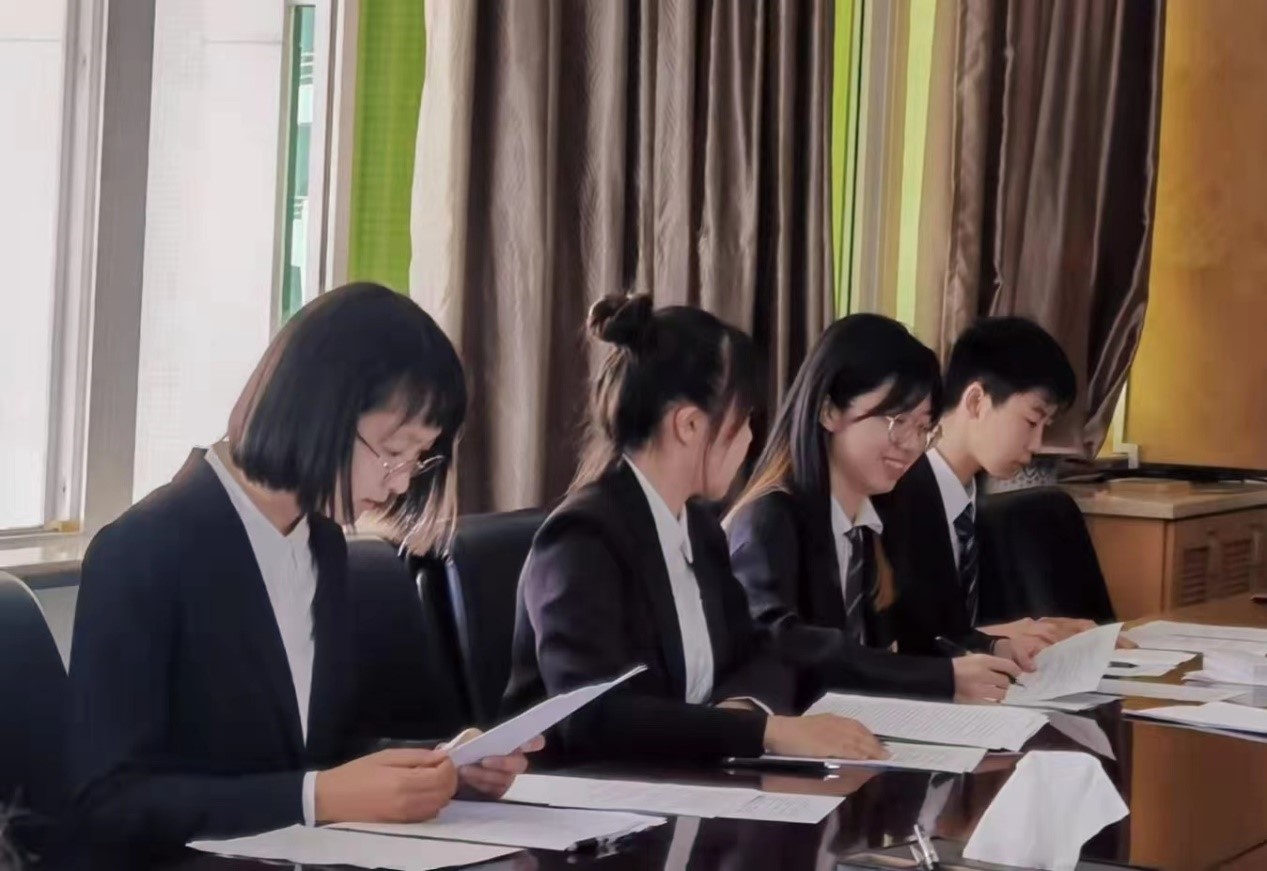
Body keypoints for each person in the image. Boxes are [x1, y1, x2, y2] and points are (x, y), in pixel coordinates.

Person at [68, 284, 540, 853]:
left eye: (418, 459)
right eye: (394, 451)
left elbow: (317, 753)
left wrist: (440, 767)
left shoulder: (322, 543)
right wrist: (315, 798)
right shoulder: (141, 551)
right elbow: (110, 803)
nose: (399, 484)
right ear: (322, 410)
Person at [502, 294, 888, 764]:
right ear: (688, 425)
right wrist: (763, 732)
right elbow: (592, 716)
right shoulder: (582, 537)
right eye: (743, 421)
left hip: (687, 783)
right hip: (588, 791)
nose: (750, 439)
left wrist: (741, 711)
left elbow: (759, 653)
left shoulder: (700, 530)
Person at [726, 315, 1024, 705]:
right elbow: (782, 644)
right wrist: (939, 679)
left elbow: (919, 632)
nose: (911, 444)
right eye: (897, 420)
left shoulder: (877, 518)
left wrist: (992, 648)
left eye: (923, 428)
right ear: (829, 410)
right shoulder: (770, 519)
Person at [876, 316, 1089, 661]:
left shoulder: (969, 501)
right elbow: (903, 640)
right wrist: (995, 637)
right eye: (1031, 421)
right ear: (976, 401)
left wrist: (1027, 631)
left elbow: (948, 626)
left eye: (1045, 426)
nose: (1037, 444)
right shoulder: (895, 494)